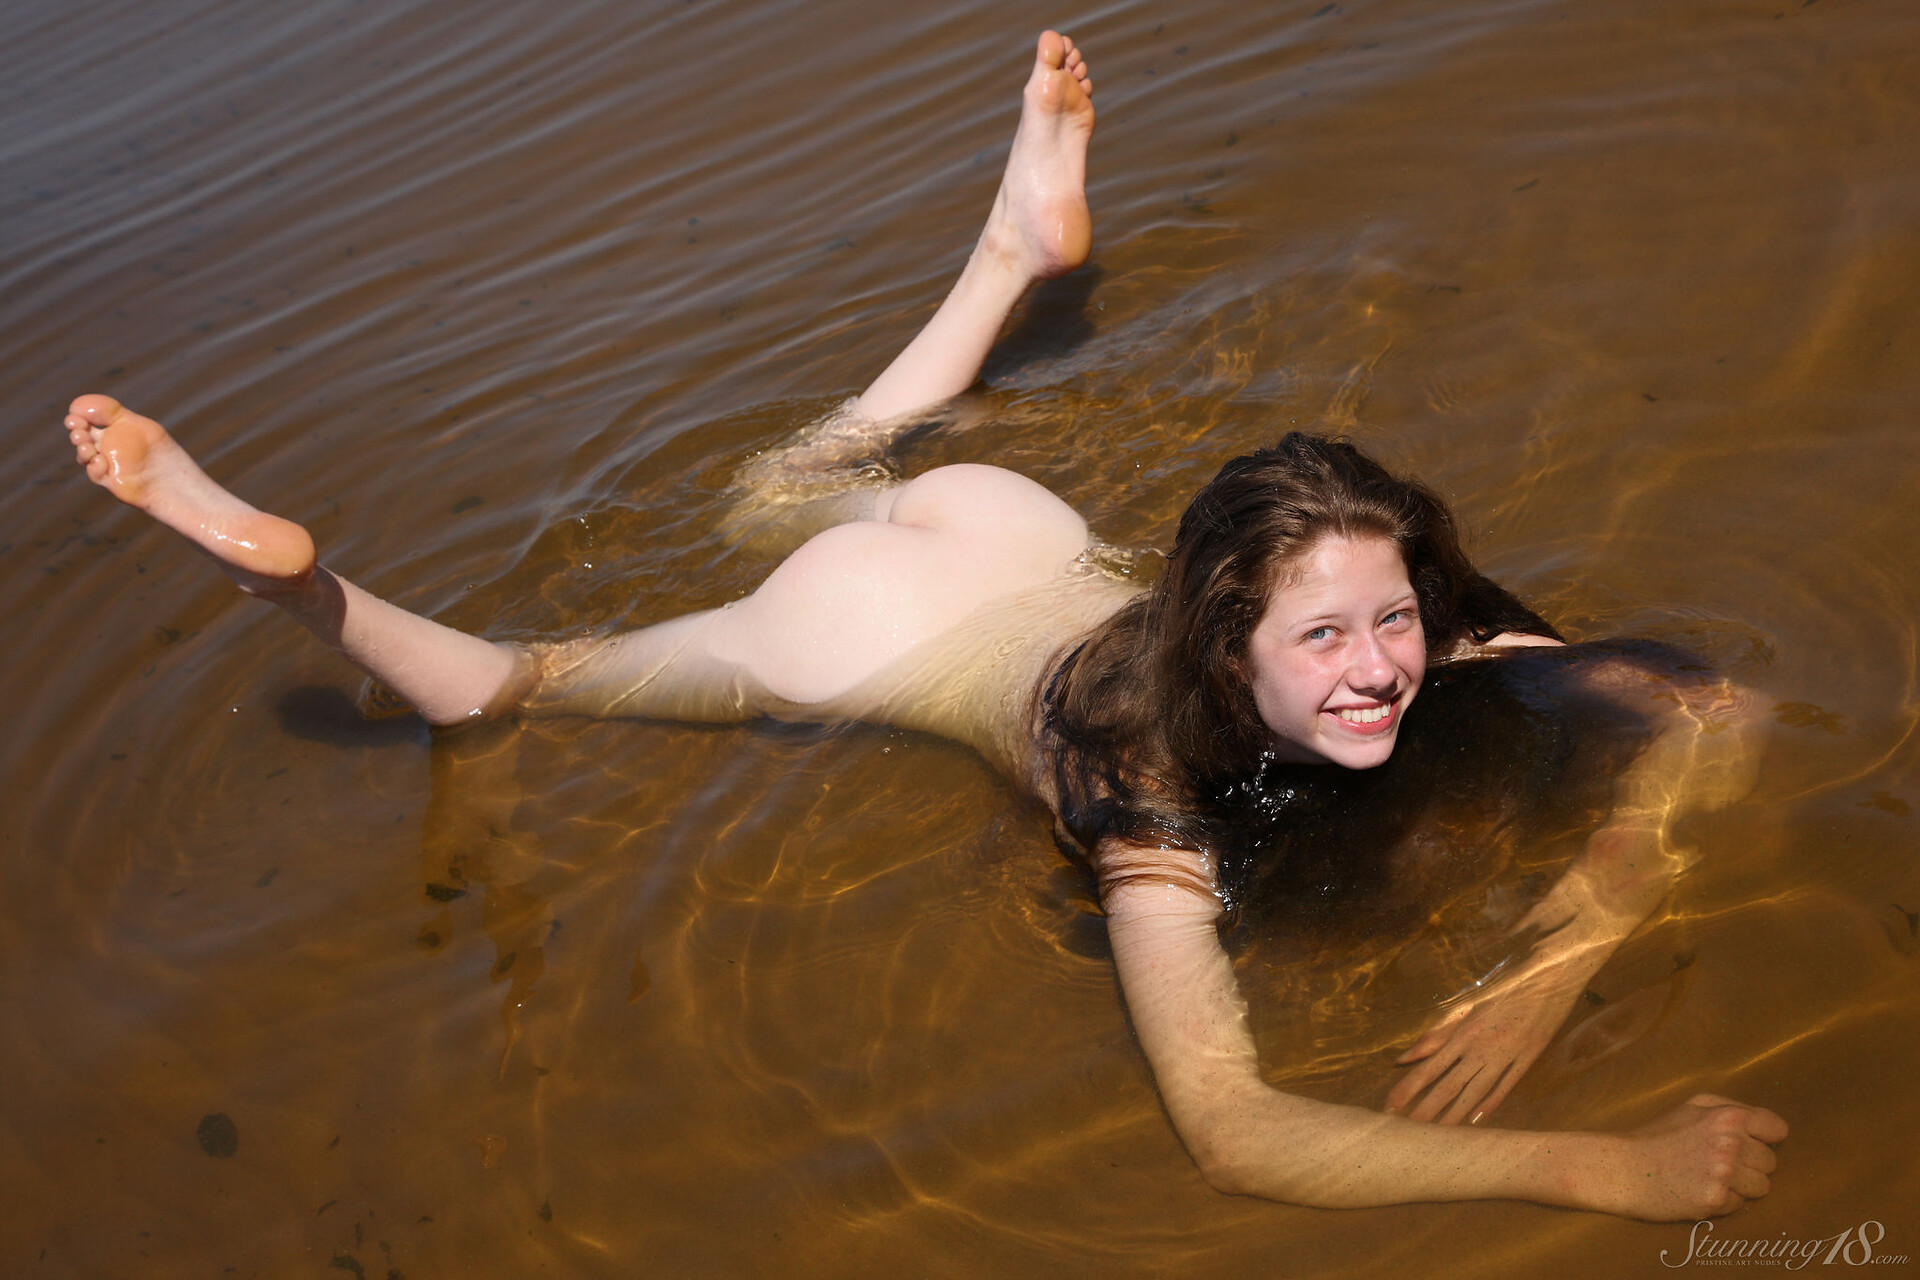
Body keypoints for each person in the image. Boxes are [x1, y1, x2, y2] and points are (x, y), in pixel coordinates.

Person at [61, 30, 1785, 1220]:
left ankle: (1011, 252)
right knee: (505, 687)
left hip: (1011, 532)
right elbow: (1235, 1135)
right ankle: (283, 577)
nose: (1382, 668)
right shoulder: (1146, 808)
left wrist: (1571, 946)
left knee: (778, 484)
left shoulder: (1416, 642)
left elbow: (1717, 708)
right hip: (863, 636)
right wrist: (1599, 1169)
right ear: (1223, 644)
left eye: (1393, 620)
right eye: (1325, 643)